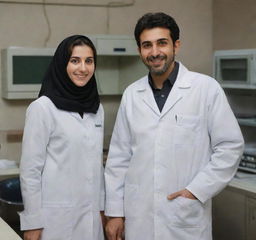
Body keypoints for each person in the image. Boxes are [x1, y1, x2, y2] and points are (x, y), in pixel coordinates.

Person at [104, 12, 244, 240]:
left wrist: (196, 191)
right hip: (139, 218)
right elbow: (119, 159)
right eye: (146, 45)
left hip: (184, 216)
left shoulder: (205, 89)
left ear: (175, 45)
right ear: (140, 50)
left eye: (162, 43)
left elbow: (230, 147)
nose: (155, 52)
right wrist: (115, 213)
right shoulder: (132, 94)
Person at [19, 35, 105, 240]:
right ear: (61, 63)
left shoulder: (96, 109)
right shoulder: (43, 108)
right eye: (74, 60)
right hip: (55, 220)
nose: (83, 68)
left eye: (89, 61)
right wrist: (32, 222)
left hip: (91, 218)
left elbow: (97, 166)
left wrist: (102, 209)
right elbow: (30, 171)